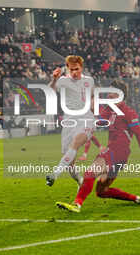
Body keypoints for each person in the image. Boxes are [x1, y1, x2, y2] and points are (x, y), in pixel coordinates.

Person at [56, 80, 140, 213]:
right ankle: (136, 198)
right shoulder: (110, 110)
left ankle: (77, 204)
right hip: (119, 156)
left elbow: (139, 135)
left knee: (89, 173)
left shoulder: (128, 112)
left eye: (112, 92)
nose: (109, 95)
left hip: (117, 151)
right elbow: (96, 119)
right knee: (101, 191)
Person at [46, 55, 95, 187]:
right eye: (71, 69)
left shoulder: (89, 80)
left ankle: (54, 175)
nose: (74, 72)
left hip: (86, 119)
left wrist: (94, 107)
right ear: (67, 68)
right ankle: (80, 181)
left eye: (77, 69)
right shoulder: (62, 81)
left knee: (74, 144)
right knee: (70, 162)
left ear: (81, 67)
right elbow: (50, 90)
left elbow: (92, 96)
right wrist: (54, 79)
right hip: (69, 121)